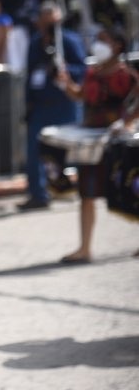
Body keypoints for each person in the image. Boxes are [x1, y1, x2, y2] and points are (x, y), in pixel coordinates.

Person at [56, 28, 138, 263]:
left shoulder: (126, 76)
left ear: (117, 46)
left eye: (104, 40)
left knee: (131, 188)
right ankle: (84, 248)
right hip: (91, 140)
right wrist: (66, 84)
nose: (98, 44)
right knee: (87, 193)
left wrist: (126, 122)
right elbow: (80, 96)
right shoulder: (93, 73)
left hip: (118, 142)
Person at [18, 1, 87, 211]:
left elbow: (81, 69)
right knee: (35, 151)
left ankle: (85, 190)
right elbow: (30, 74)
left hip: (65, 103)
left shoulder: (69, 40)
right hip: (41, 105)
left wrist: (65, 71)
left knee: (76, 151)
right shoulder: (35, 42)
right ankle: (39, 194)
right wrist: (28, 103)